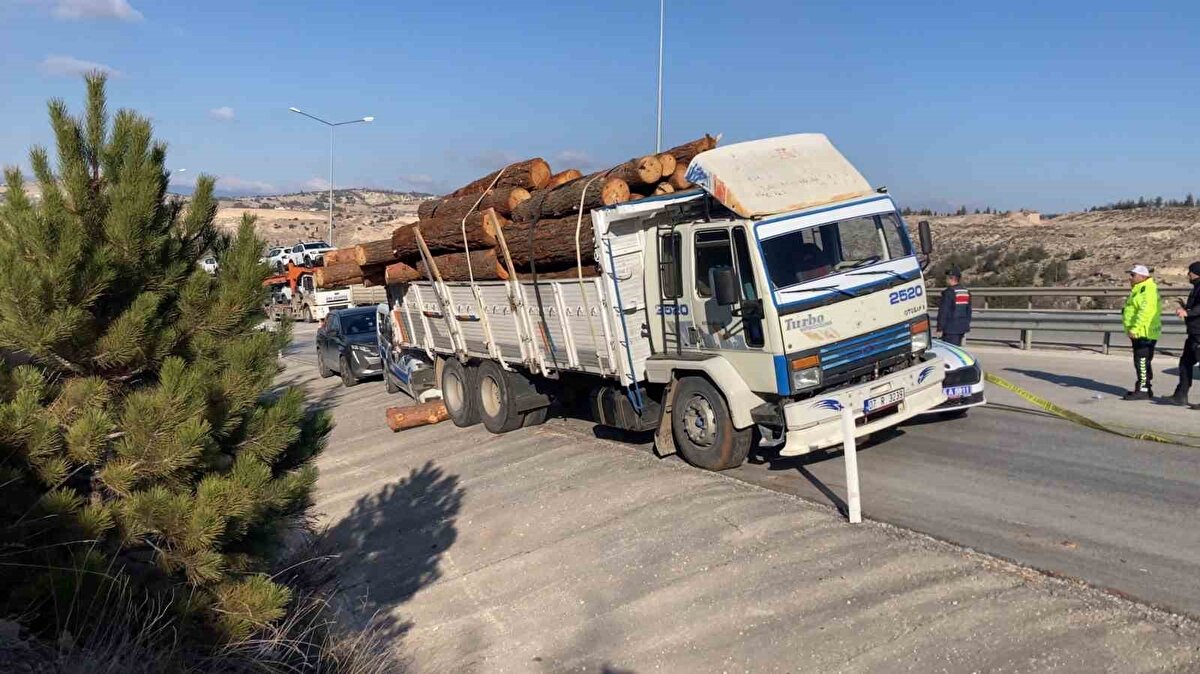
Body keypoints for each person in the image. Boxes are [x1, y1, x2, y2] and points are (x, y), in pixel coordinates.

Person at [1120, 264, 1161, 400]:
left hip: (1144, 332)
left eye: (1133, 275)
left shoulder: (1147, 289)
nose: (1130, 278)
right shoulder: (1139, 289)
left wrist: (1135, 328)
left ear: (1143, 276)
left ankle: (1143, 389)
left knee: (1142, 361)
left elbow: (1145, 312)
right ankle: (1145, 388)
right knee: (1142, 361)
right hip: (1141, 331)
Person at [1167, 261, 1200, 408]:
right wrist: (1184, 306)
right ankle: (1180, 396)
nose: (1188, 274)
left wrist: (1188, 312)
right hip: (1193, 333)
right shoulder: (1197, 287)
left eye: (1190, 271)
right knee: (1185, 363)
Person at [937, 268, 971, 346]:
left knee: (949, 352)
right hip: (962, 327)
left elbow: (944, 312)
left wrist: (940, 328)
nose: (946, 280)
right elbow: (968, 311)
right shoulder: (966, 292)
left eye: (947, 277)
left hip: (950, 329)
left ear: (951, 278)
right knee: (958, 349)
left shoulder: (949, 293)